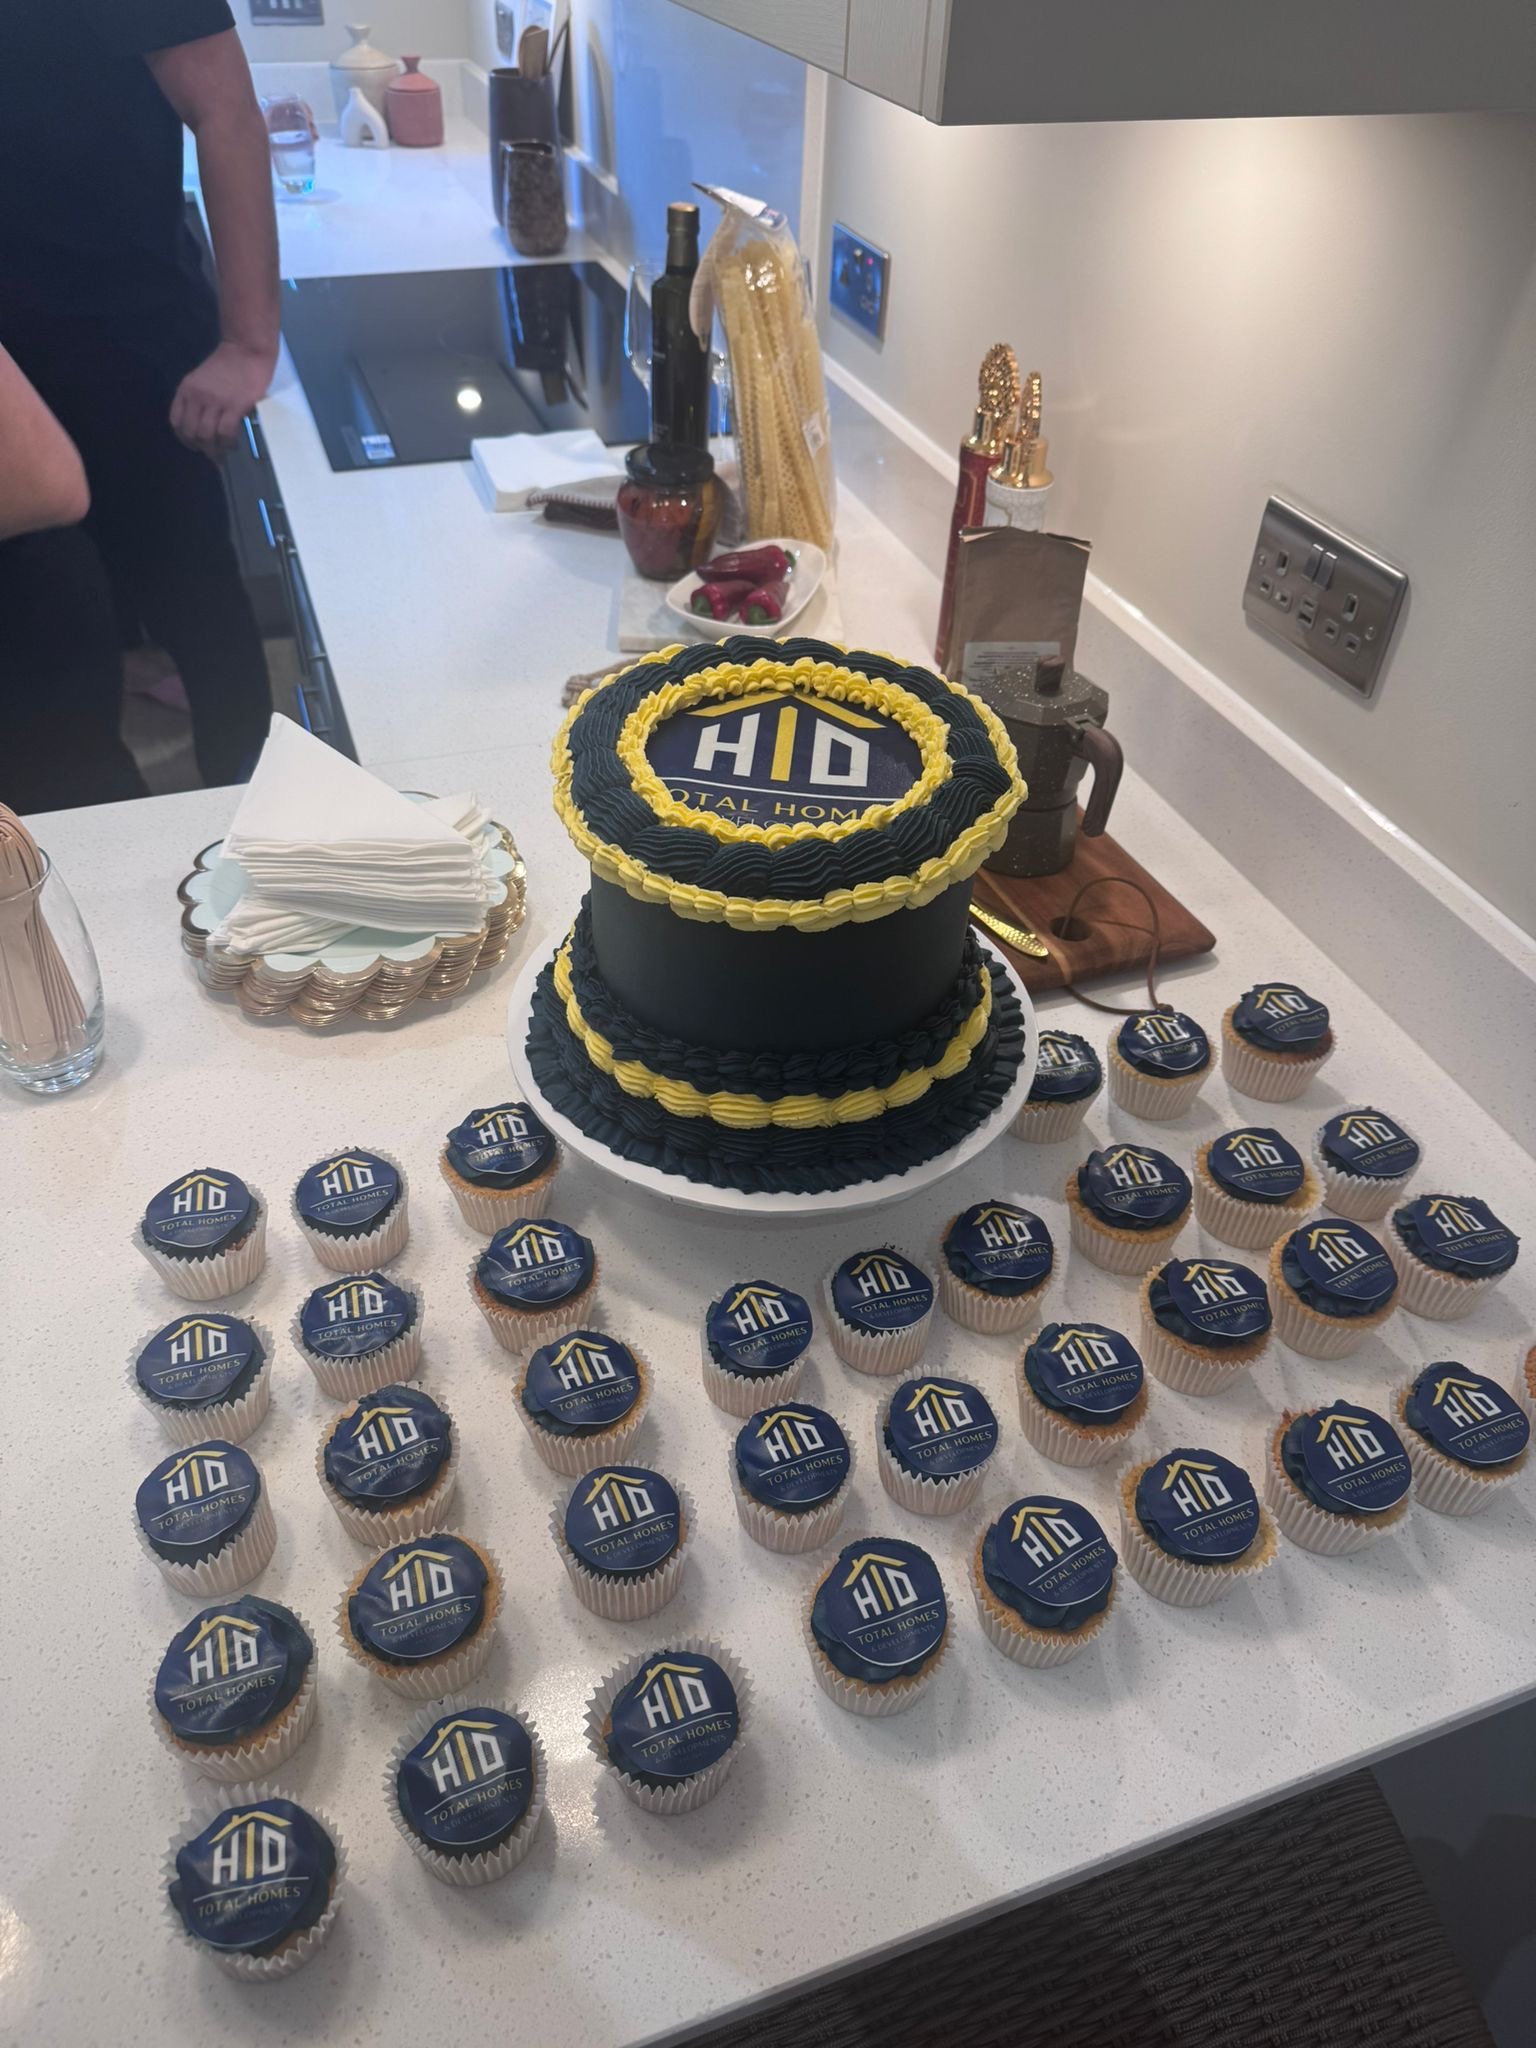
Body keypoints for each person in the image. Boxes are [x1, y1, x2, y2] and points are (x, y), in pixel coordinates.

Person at [0, 1, 281, 804]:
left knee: (191, 590)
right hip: (16, 359)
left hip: (122, 330)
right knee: (45, 630)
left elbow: (225, 110)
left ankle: (260, 818)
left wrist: (248, 343)